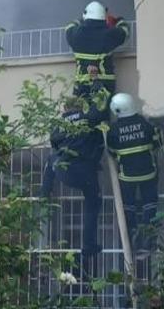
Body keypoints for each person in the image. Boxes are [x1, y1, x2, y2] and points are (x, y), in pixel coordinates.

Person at [39, 92, 108, 256]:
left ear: (65, 108)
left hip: (65, 172)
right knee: (92, 204)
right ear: (80, 106)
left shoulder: (58, 124)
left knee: (51, 158)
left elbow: (54, 142)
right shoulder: (86, 116)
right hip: (86, 172)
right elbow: (100, 119)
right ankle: (88, 246)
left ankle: (43, 193)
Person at [106, 92, 160, 258]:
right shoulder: (145, 124)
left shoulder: (113, 130)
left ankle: (131, 236)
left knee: (128, 205)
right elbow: (157, 144)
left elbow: (112, 153)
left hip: (126, 176)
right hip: (148, 173)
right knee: (149, 204)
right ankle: (148, 238)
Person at [65, 1, 130, 99]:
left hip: (81, 85)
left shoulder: (75, 35)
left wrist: (81, 21)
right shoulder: (108, 35)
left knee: (82, 112)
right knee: (102, 112)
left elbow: (69, 26)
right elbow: (125, 30)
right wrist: (118, 20)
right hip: (104, 84)